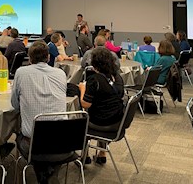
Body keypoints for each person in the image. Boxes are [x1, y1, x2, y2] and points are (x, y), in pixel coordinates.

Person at [11, 40, 68, 183]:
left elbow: (15, 104)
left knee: (21, 134)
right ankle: (50, 173)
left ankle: (43, 172)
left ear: (29, 59)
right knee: (46, 137)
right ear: (48, 57)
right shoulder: (60, 73)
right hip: (62, 140)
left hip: (33, 143)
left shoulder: (21, 73)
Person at [79, 47, 124, 164]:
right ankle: (102, 153)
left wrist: (82, 89)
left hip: (101, 121)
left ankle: (84, 155)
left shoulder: (94, 80)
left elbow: (85, 104)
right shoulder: (118, 77)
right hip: (118, 120)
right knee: (104, 109)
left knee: (81, 118)